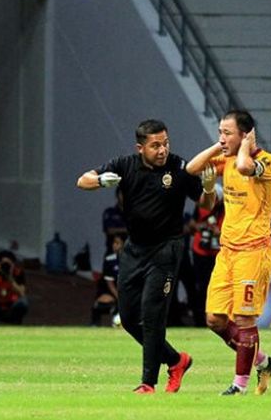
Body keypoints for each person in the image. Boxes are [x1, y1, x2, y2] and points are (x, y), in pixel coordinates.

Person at [76, 119, 201, 394]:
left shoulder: (179, 168)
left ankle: (148, 383)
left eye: (166, 143)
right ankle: (176, 360)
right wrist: (98, 181)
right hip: (134, 249)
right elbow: (81, 180)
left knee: (152, 314)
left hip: (166, 249)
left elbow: (204, 202)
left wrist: (211, 187)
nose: (162, 150)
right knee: (129, 318)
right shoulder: (125, 164)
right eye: (155, 145)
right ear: (140, 147)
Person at [186, 109, 271, 395]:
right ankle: (263, 361)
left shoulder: (268, 162)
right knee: (214, 319)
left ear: (246, 134)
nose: (222, 137)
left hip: (253, 252)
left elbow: (243, 167)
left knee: (244, 319)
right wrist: (220, 145)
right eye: (219, 132)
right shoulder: (225, 158)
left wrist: (243, 147)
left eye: (227, 132)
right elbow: (191, 168)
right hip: (227, 252)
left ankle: (239, 385)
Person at [189, 184, 224, 326]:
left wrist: (219, 232)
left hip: (218, 253)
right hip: (200, 251)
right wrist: (202, 227)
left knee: (217, 287)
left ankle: (218, 318)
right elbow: (192, 224)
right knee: (201, 286)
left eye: (214, 197)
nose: (211, 199)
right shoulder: (201, 205)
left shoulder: (226, 209)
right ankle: (200, 321)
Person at [90, 233, 124, 326]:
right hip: (112, 291)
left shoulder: (132, 260)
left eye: (118, 243)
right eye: (114, 243)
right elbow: (109, 283)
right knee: (98, 304)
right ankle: (94, 325)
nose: (114, 245)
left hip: (127, 291)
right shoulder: (109, 260)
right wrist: (118, 296)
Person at [102, 188, 127, 255]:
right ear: (117, 195)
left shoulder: (134, 213)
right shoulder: (110, 212)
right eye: (121, 194)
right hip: (113, 251)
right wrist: (127, 230)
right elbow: (109, 230)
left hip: (130, 253)